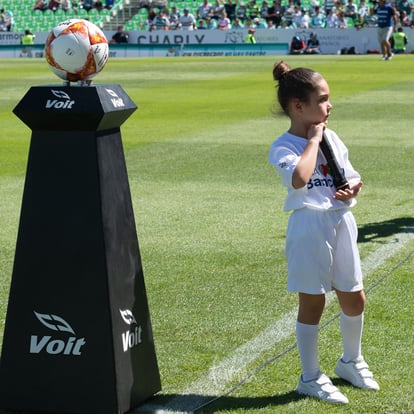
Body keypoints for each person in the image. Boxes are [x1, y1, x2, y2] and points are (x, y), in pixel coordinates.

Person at [268, 60, 379, 405]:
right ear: (299, 106)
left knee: (354, 296)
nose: (330, 105)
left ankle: (350, 361)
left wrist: (354, 189)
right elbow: (300, 178)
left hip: (340, 220)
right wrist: (314, 140)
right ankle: (310, 376)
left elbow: (351, 174)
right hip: (309, 225)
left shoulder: (332, 136)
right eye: (323, 99)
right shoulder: (283, 146)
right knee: (313, 302)